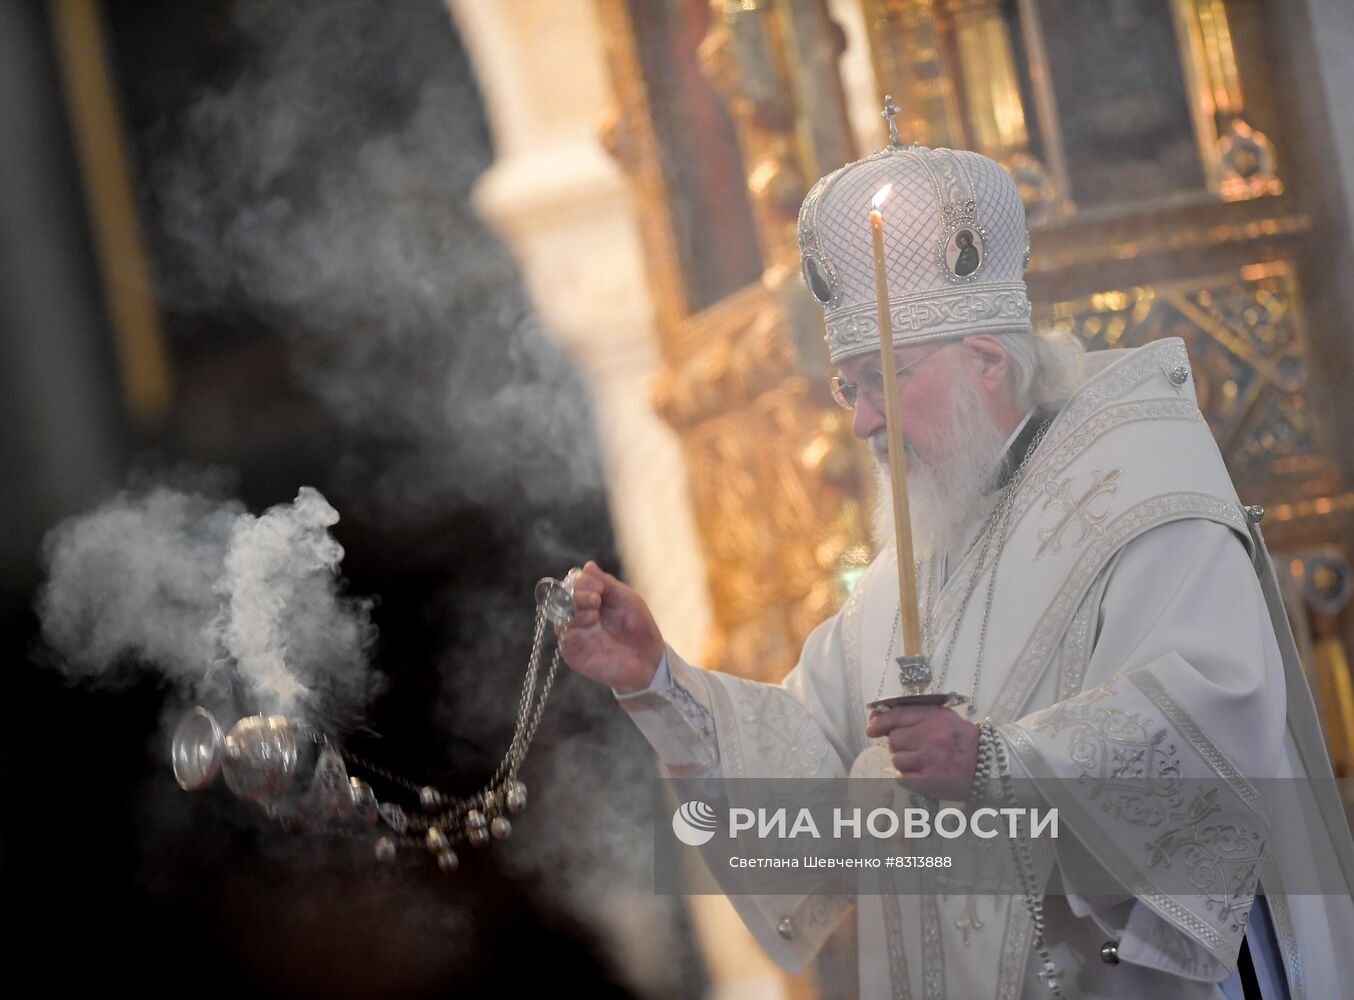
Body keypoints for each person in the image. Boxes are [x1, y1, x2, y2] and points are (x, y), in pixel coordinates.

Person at [560, 135, 1354, 998]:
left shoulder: (1141, 485)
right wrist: (658, 684)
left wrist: (992, 762)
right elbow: (809, 760)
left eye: (881, 380)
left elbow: (1212, 718)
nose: (861, 421)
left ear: (985, 359)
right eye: (846, 388)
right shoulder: (929, 542)